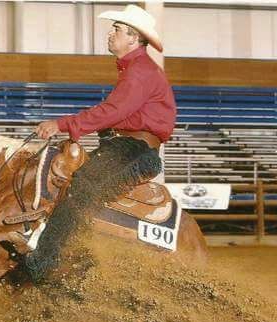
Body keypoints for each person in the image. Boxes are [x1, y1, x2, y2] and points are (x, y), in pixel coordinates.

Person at [22, 5, 177, 282]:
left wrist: (62, 124)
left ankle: (43, 262)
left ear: (133, 38)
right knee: (72, 180)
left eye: (117, 29)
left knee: (83, 185)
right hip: (127, 147)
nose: (110, 33)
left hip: (134, 149)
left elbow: (113, 112)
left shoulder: (140, 71)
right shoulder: (136, 70)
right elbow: (117, 114)